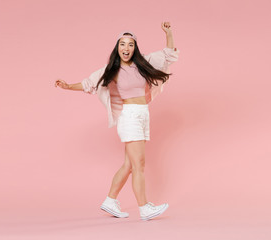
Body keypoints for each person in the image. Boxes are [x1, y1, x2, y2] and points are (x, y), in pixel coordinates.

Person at [55, 22, 179, 221]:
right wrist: (68, 86)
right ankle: (144, 208)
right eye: (122, 44)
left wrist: (169, 33)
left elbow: (168, 55)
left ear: (135, 48)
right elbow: (89, 83)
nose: (126, 48)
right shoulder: (112, 70)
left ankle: (110, 201)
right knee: (139, 164)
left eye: (130, 45)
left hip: (143, 114)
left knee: (129, 164)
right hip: (129, 115)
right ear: (117, 47)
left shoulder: (143, 64)